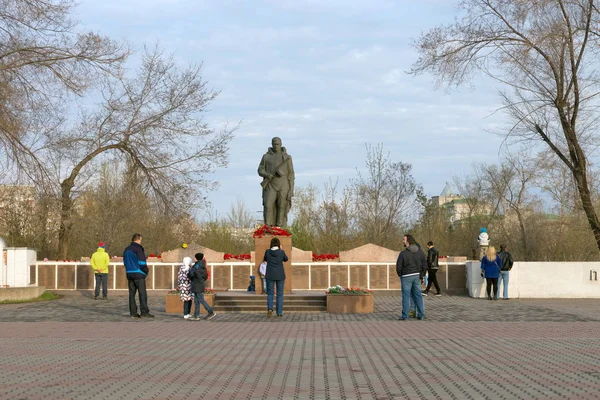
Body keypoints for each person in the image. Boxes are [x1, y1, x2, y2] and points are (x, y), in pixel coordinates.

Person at [257, 136, 295, 227]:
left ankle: (280, 227)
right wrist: (267, 175)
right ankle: (267, 226)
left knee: (282, 206)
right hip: (270, 184)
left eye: (277, 144)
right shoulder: (266, 157)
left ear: (281, 144)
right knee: (267, 205)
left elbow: (291, 174)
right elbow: (260, 170)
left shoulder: (287, 158)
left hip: (283, 185)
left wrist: (291, 189)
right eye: (274, 144)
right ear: (271, 144)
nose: (276, 146)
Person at [396, 234, 427, 320]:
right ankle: (421, 315)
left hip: (406, 276)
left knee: (406, 296)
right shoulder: (420, 253)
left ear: (408, 241)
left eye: (404, 240)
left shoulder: (403, 253)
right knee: (418, 296)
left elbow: (398, 266)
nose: (403, 241)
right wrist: (422, 275)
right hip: (417, 276)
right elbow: (425, 265)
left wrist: (401, 274)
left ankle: (405, 316)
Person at [123, 233, 153, 318]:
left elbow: (125, 262)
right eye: (140, 240)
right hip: (138, 273)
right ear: (138, 239)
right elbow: (142, 262)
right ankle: (144, 312)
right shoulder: (138, 249)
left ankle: (133, 313)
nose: (141, 241)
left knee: (131, 294)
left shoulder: (126, 249)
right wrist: (146, 271)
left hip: (129, 273)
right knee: (142, 293)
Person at [264, 237, 288, 317]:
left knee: (270, 293)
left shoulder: (267, 252)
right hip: (280, 275)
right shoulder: (281, 252)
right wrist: (281, 250)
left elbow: (265, 259)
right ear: (278, 244)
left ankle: (270, 308)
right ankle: (279, 312)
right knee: (279, 294)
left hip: (270, 274)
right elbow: (286, 259)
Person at [189, 253, 216, 321]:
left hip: (196, 284)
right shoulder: (203, 265)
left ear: (196, 258)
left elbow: (190, 274)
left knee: (201, 300)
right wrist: (201, 280)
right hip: (200, 284)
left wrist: (192, 276)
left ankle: (211, 312)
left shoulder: (195, 266)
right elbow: (206, 276)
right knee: (196, 301)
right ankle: (196, 315)